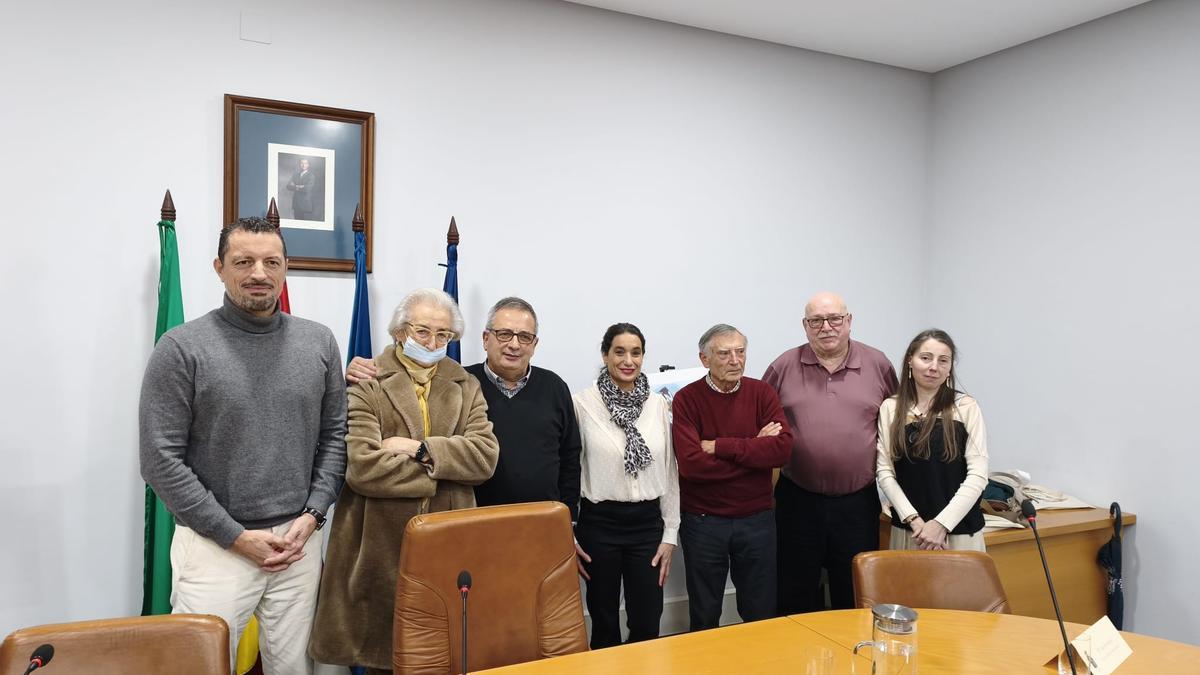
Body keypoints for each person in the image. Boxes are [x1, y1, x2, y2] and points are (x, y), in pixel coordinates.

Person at [139, 217, 347, 675]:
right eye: (243, 262)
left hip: (297, 545)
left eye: (271, 262)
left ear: (286, 267)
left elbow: (335, 437)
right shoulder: (181, 348)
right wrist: (234, 536)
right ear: (219, 268)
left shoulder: (319, 341)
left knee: (295, 669)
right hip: (214, 549)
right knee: (199, 668)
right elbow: (159, 461)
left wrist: (313, 516)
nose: (259, 273)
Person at [309, 289, 499, 674]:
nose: (432, 342)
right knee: (381, 657)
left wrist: (418, 449)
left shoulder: (466, 384)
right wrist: (443, 472)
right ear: (400, 331)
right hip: (378, 546)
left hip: (447, 543)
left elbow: (484, 458)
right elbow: (364, 467)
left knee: (442, 654)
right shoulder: (368, 380)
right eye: (422, 331)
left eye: (443, 334)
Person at [347, 296, 581, 519]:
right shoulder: (460, 383)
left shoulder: (553, 386)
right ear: (485, 339)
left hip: (541, 520)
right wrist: (448, 471)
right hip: (472, 521)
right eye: (504, 334)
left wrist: (569, 519)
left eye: (525, 337)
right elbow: (361, 468)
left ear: (534, 344)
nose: (514, 344)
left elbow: (568, 457)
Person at [762, 291, 898, 614]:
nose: (826, 327)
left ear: (849, 321)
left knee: (854, 592)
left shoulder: (878, 364)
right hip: (798, 500)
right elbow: (761, 422)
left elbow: (898, 420)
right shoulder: (783, 366)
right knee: (794, 592)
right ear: (805, 326)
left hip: (857, 503)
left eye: (834, 318)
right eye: (816, 321)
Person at [671, 324, 791, 631]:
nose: (735, 360)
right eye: (724, 353)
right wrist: (755, 448)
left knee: (760, 612)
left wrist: (721, 446)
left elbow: (781, 451)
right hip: (703, 521)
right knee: (705, 612)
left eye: (740, 352)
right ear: (705, 359)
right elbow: (692, 466)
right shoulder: (686, 399)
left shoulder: (762, 393)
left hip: (757, 520)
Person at [572, 323, 680, 649]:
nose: (628, 360)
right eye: (619, 352)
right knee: (604, 621)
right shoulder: (582, 404)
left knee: (647, 620)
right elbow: (570, 469)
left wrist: (670, 533)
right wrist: (568, 530)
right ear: (605, 355)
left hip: (647, 525)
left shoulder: (658, 405)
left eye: (636, 352)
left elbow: (669, 470)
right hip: (599, 525)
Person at [876, 329, 989, 551]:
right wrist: (913, 520)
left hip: (958, 534)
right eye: (926, 358)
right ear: (910, 360)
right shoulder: (891, 408)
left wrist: (941, 524)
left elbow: (978, 475)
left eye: (943, 360)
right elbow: (885, 471)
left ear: (950, 367)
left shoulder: (966, 407)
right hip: (911, 532)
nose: (934, 367)